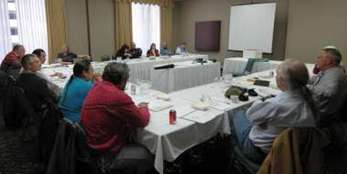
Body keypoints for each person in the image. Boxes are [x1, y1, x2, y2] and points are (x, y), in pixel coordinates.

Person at [231, 59, 316, 163]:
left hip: (262, 152)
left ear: (281, 80)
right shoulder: (309, 99)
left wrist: (259, 106)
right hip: (291, 151)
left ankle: (237, 158)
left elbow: (251, 116)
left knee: (237, 114)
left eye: (277, 75)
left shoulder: (276, 105)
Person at [81, 62, 154, 174]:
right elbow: (142, 120)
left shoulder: (96, 86)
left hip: (91, 147)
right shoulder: (117, 96)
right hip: (105, 155)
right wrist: (144, 108)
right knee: (147, 154)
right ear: (122, 80)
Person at [309, 47, 347, 126]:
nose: (317, 59)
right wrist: (298, 76)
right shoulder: (329, 70)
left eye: (320, 57)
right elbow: (314, 79)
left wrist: (308, 88)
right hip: (319, 110)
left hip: (321, 116)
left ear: (328, 61)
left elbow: (330, 92)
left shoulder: (334, 75)